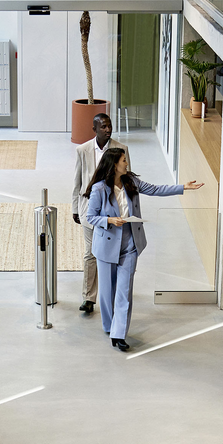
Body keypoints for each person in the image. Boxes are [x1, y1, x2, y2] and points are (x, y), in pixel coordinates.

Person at [84, 148, 202, 351]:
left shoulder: (131, 181)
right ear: (114, 165)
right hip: (106, 245)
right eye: (123, 160)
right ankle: (109, 325)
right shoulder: (99, 189)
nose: (127, 163)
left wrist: (183, 187)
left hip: (130, 244)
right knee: (106, 291)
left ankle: (119, 333)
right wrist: (109, 219)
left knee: (124, 290)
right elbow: (91, 216)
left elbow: (156, 189)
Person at [72, 114, 129, 315]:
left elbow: (128, 181)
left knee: (110, 254)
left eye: (109, 126)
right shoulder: (82, 150)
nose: (107, 129)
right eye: (103, 126)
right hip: (89, 210)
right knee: (90, 253)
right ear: (94, 128)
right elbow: (77, 182)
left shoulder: (121, 149)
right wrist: (74, 208)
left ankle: (110, 293)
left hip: (113, 214)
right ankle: (88, 297)